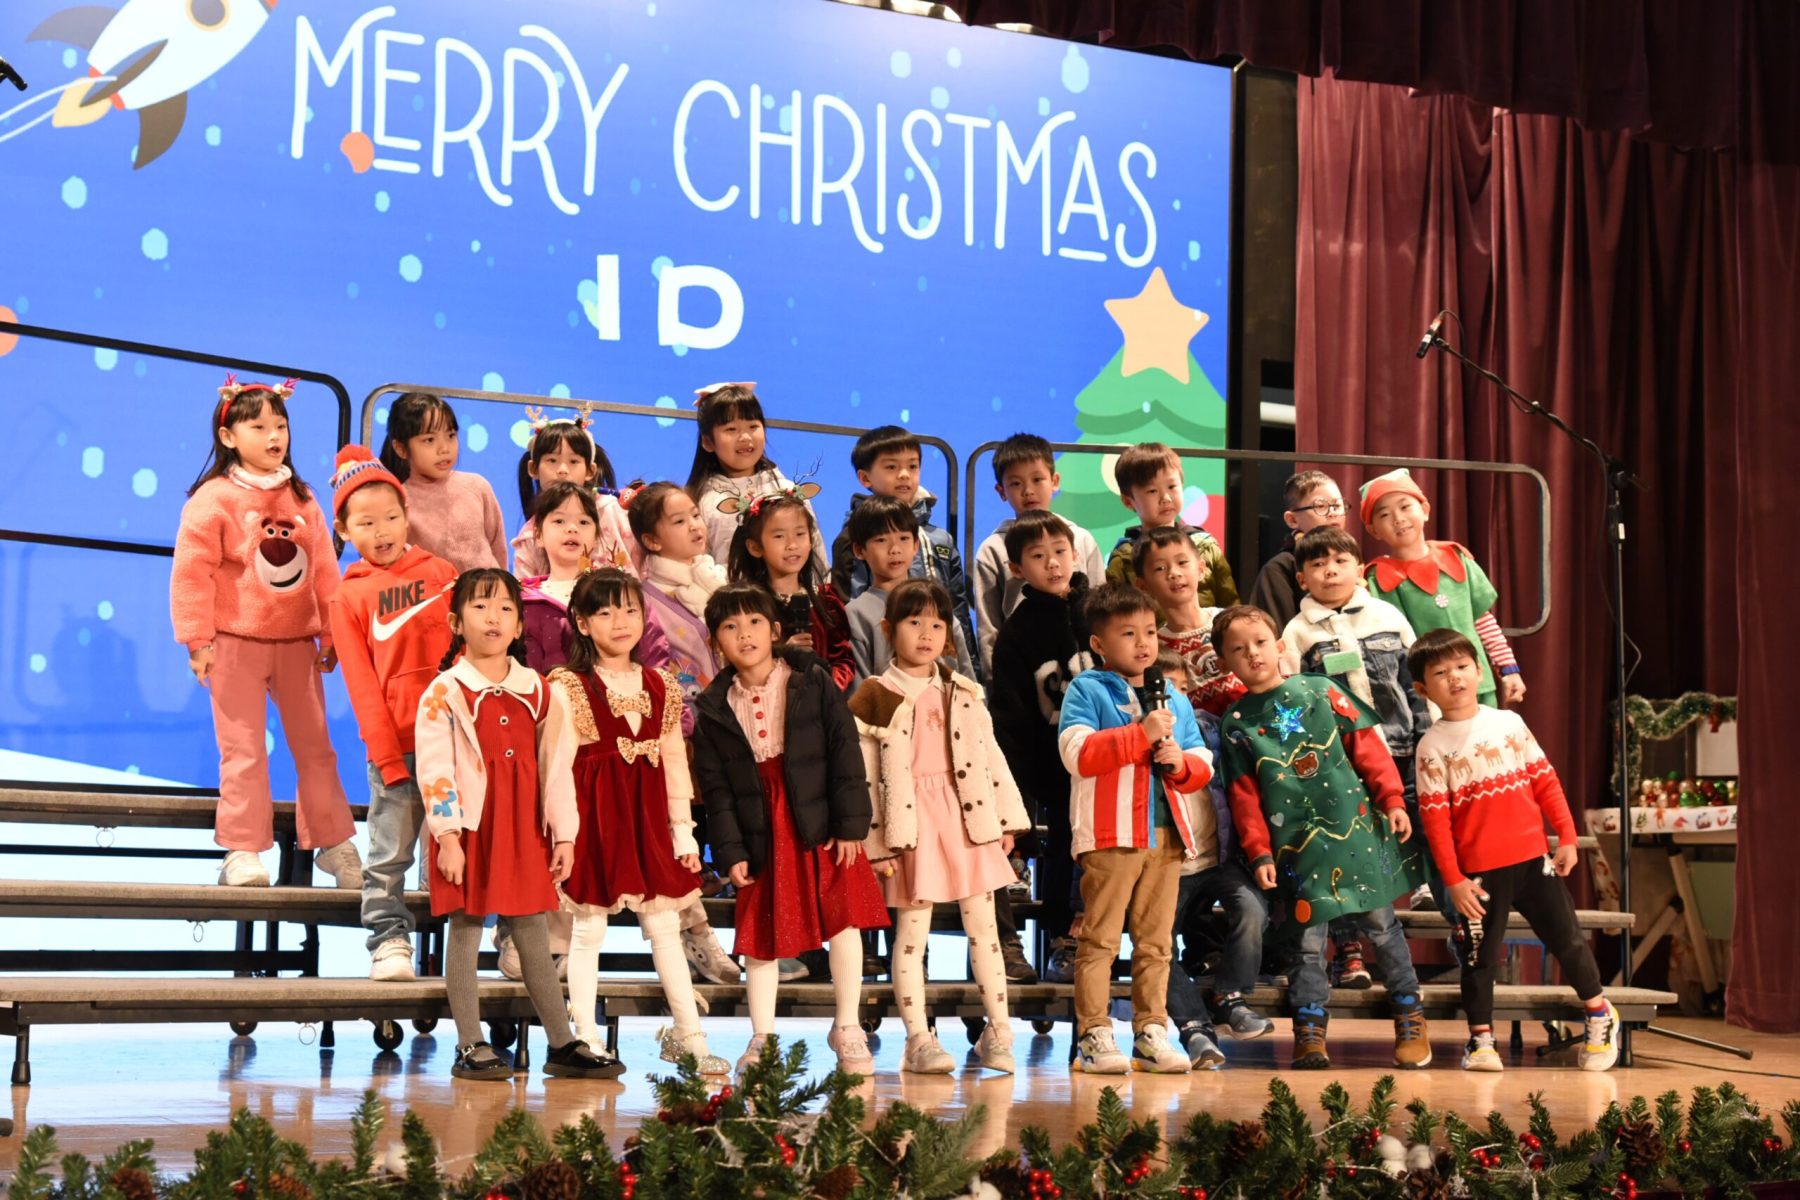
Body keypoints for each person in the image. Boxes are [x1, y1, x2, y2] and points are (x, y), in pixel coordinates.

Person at [412, 568, 616, 1080]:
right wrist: (448, 838)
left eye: (505, 608)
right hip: (470, 830)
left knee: (532, 935)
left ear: (520, 625)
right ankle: (469, 1043)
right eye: (480, 607)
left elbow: (557, 768)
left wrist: (564, 834)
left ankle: (562, 1043)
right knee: (465, 930)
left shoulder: (540, 691)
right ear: (456, 622)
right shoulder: (445, 691)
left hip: (524, 830)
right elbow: (435, 770)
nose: (494, 617)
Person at [1211, 605, 1431, 1071]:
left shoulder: (1322, 690)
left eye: (1260, 642)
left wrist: (1392, 799)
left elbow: (1367, 748)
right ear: (1225, 662)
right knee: (1307, 942)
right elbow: (1244, 798)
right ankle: (1310, 1027)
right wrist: (1259, 853)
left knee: (1382, 927)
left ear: (1279, 645)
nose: (1253, 654)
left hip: (1356, 835)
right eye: (1239, 649)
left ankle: (1409, 1013)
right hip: (1296, 849)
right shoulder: (1237, 725)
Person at [690, 584, 890, 1076]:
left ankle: (848, 1026)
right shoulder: (713, 706)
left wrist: (850, 825)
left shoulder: (811, 680)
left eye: (754, 622)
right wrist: (730, 849)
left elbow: (844, 751)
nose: (745, 634)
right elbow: (717, 790)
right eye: (730, 627)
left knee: (843, 922)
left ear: (775, 630)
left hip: (819, 819)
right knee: (761, 934)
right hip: (761, 827)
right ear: (715, 642)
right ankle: (763, 1037)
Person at [171, 376, 360, 889]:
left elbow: (324, 570)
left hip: (297, 643)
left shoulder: (302, 496)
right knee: (243, 750)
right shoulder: (213, 498)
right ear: (228, 436)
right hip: (235, 641)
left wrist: (331, 633)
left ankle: (334, 844)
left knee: (317, 747)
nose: (274, 436)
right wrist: (197, 639)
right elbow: (191, 572)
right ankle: (242, 849)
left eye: (281, 425)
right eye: (258, 427)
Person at [544, 569, 730, 1077]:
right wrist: (564, 835)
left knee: (665, 925)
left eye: (629, 609)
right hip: (594, 823)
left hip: (647, 823)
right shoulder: (568, 687)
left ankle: (691, 1037)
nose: (620, 621)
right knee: (588, 929)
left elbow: (674, 765)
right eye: (604, 612)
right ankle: (585, 1037)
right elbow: (557, 769)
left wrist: (683, 832)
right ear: (582, 623)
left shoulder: (661, 684)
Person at [1409, 629, 1619, 1072]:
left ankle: (1600, 1012)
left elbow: (1546, 782)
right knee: (1479, 958)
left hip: (1532, 862)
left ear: (1480, 670)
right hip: (1478, 878)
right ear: (1423, 689)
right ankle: (1481, 1040)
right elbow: (1435, 823)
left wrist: (1566, 836)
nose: (1455, 678)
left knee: (1567, 940)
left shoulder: (1508, 724)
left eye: (1462, 667)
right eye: (1441, 673)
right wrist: (1454, 880)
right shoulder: (1431, 747)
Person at [851, 580, 1030, 1074]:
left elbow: (989, 755)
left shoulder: (963, 690)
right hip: (911, 823)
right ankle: (918, 1038)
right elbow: (865, 776)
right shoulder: (876, 694)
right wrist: (875, 842)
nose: (927, 634)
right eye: (914, 622)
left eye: (936, 624)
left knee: (985, 931)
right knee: (912, 935)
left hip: (967, 816)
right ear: (889, 629)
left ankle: (999, 1032)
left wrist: (1005, 818)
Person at [1058, 583, 1215, 1075]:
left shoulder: (1171, 697)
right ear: (1099, 644)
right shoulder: (1087, 689)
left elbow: (1202, 759)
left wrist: (1180, 762)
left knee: (1157, 943)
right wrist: (1139, 734)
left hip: (1166, 835)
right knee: (1100, 940)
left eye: (1149, 631)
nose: (1144, 643)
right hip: (1111, 834)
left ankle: (1151, 1031)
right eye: (1128, 634)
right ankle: (1093, 1034)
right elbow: (1077, 754)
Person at [326, 445, 458, 980]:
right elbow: (361, 686)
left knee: (469, 847)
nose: (381, 531)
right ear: (343, 530)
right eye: (365, 523)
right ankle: (388, 940)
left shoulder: (442, 573)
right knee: (388, 855)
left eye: (390, 517)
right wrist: (385, 755)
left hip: (455, 746)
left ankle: (489, 940)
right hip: (397, 749)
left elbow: (467, 657)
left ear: (407, 514)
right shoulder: (347, 597)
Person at [1280, 525, 1439, 949]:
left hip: (1403, 746)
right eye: (1318, 564)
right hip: (1343, 763)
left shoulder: (1388, 617)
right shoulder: (1297, 632)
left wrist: (1428, 737)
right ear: (1302, 579)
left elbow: (1415, 684)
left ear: (1360, 570)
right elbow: (1296, 700)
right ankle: (1348, 949)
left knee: (1421, 822)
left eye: (1340, 561)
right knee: (1347, 847)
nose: (1330, 571)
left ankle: (1429, 892)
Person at [624, 481, 745, 986]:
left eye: (695, 515)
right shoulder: (644, 599)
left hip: (732, 723)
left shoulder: (714, 580)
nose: (696, 525)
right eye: (679, 521)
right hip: (685, 733)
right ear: (651, 540)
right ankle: (692, 934)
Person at [1153, 645, 1277, 1068]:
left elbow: (1240, 788)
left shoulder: (1213, 731)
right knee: (1157, 942)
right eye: (1163, 690)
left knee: (1251, 909)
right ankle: (1194, 1027)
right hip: (1167, 865)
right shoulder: (1138, 736)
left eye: (1180, 689)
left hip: (1216, 857)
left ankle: (1230, 997)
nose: (1172, 699)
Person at [987, 510, 1095, 984]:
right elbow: (1011, 720)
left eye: (1060, 552)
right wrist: (1021, 796)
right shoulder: (1017, 632)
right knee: (1063, 848)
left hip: (1110, 759)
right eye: (1037, 556)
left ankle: (1097, 937)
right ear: (1016, 569)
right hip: (1053, 766)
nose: (1052, 564)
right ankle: (1061, 941)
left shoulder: (1099, 610)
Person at [1360, 468, 1525, 709]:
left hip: (1477, 684)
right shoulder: (1380, 577)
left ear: (1425, 510)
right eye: (1384, 514)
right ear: (1373, 529)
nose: (1398, 518)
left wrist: (1508, 668)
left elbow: (1482, 620)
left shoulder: (1455, 557)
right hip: (1427, 695)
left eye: (1405, 507)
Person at [829, 425, 979, 677]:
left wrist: (973, 677)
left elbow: (958, 612)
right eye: (891, 467)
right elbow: (846, 601)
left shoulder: (939, 538)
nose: (904, 475)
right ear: (865, 478)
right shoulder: (852, 537)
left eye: (912, 466)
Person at [971, 433, 1105, 675]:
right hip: (1023, 668)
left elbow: (1101, 610)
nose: (1028, 491)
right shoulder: (992, 550)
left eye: (1037, 479)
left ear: (1054, 481)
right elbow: (989, 630)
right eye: (1016, 483)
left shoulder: (1081, 539)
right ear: (1001, 491)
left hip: (1083, 667)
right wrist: (995, 685)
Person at [687, 383, 827, 573]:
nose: (745, 437)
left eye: (753, 426)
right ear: (707, 441)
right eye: (731, 429)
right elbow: (695, 568)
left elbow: (817, 559)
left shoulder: (790, 492)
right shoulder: (699, 503)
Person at [729, 489, 857, 692]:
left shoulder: (826, 599)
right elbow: (741, 664)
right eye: (779, 536)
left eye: (800, 534)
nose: (792, 545)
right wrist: (783, 654)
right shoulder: (749, 607)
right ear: (755, 547)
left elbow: (843, 659)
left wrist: (825, 687)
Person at [845, 497, 975, 680]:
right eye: (881, 540)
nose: (895, 549)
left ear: (916, 545)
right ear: (859, 551)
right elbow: (859, 689)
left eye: (904, 538)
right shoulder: (856, 614)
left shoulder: (935, 604)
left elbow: (965, 677)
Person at [377, 391, 508, 572]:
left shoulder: (477, 486)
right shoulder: (398, 501)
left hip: (488, 588)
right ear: (401, 448)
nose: (444, 449)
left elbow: (498, 549)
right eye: (429, 440)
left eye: (451, 435)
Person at [1103, 442, 1238, 607]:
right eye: (1152, 491)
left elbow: (1231, 606)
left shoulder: (1205, 546)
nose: (1166, 498)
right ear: (1128, 501)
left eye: (1172, 486)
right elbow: (1114, 614)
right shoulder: (1124, 559)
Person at [1135, 526, 1245, 716]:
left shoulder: (1233, 622)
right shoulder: (1156, 648)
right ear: (1143, 586)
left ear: (1201, 569)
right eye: (1160, 568)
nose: (1174, 573)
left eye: (1182, 562)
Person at [510, 410, 629, 578]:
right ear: (533, 469)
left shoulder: (609, 510)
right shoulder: (530, 535)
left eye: (573, 461)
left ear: (590, 470)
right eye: (552, 460)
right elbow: (524, 590)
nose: (562, 470)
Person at [1247, 470, 1347, 631]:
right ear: (1292, 519)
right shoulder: (1280, 569)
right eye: (1320, 506)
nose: (1333, 513)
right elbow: (1277, 635)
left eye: (1337, 505)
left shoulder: (1351, 560)